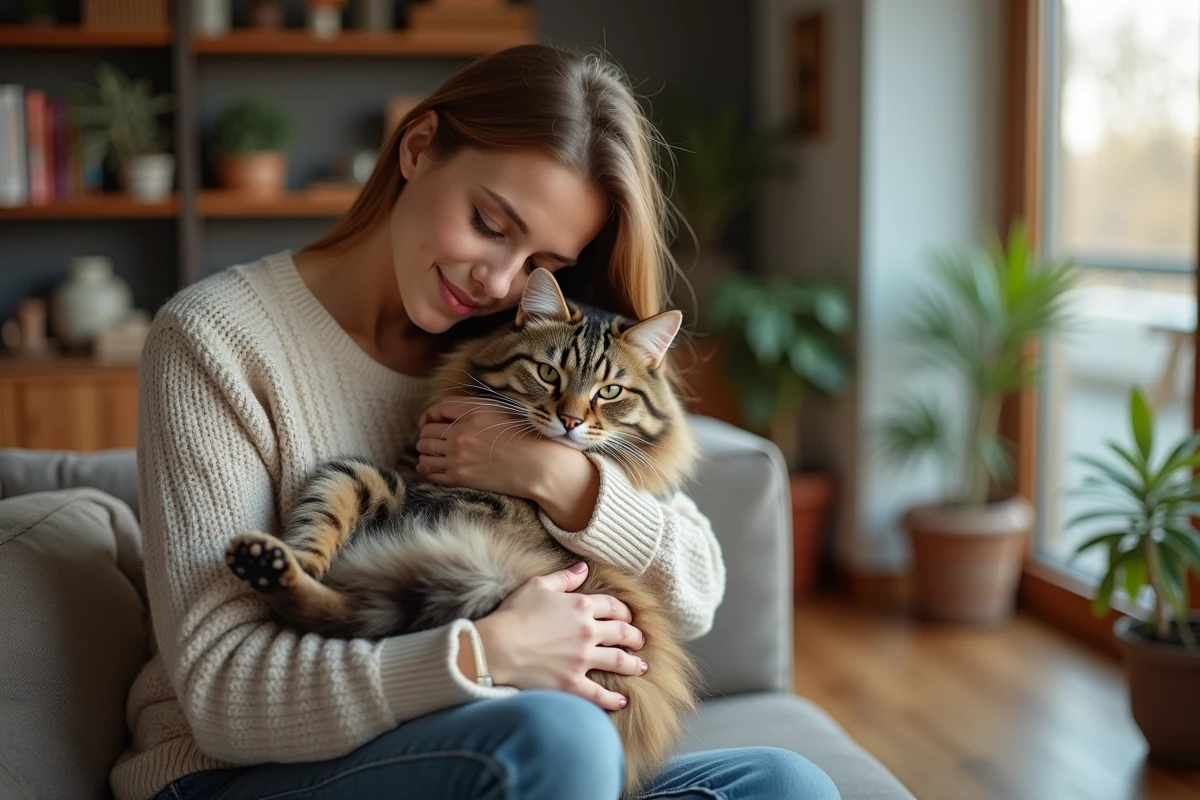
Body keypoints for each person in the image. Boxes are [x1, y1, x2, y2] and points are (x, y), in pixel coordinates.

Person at [115, 44, 840, 800]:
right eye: (489, 223)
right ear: (419, 148)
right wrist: (490, 652)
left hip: (511, 748)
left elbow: (697, 590)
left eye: (544, 262)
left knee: (785, 786)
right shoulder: (216, 340)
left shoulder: (530, 354)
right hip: (249, 775)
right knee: (558, 741)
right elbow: (223, 693)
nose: (498, 282)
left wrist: (556, 475)